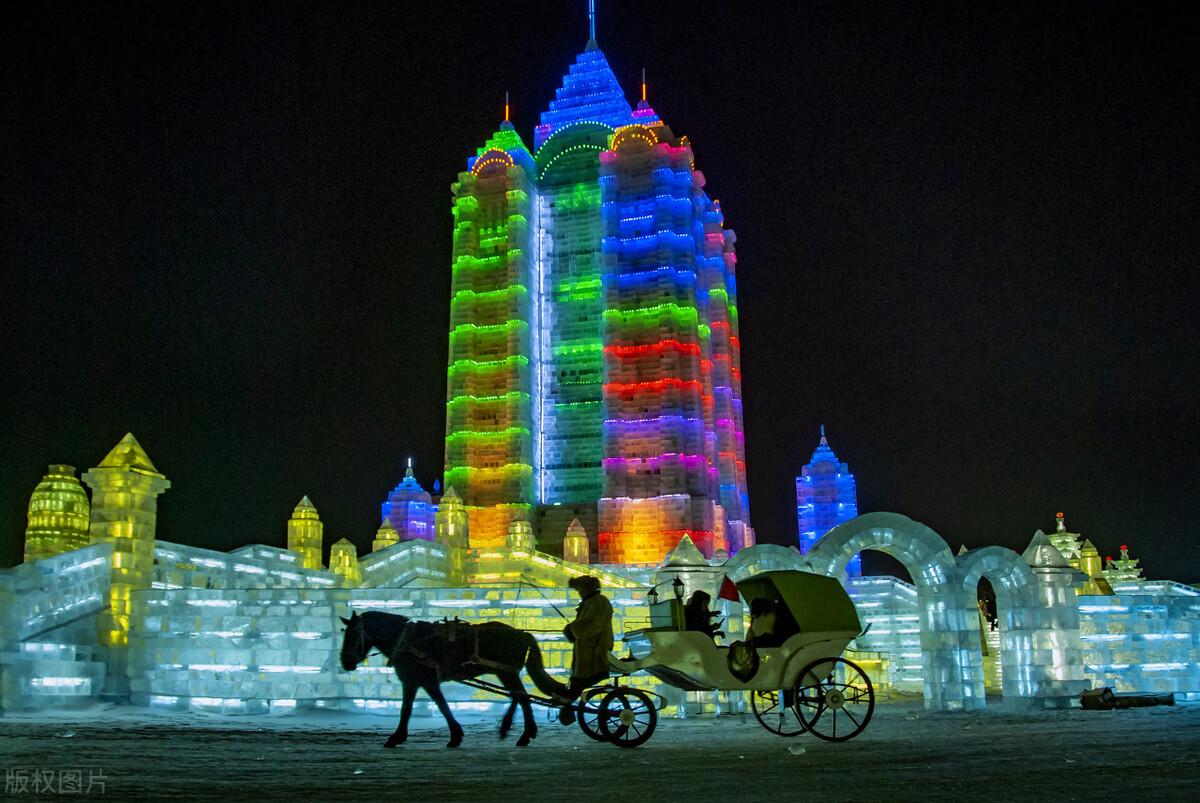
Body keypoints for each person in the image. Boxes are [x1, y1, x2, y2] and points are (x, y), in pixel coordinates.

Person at [559, 574, 613, 725]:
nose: (579, 593)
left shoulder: (599, 602)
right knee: (577, 681)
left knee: (580, 681)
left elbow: (592, 623)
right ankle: (567, 704)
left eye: (580, 589)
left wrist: (572, 628)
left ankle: (567, 706)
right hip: (586, 649)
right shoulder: (592, 602)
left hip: (595, 649)